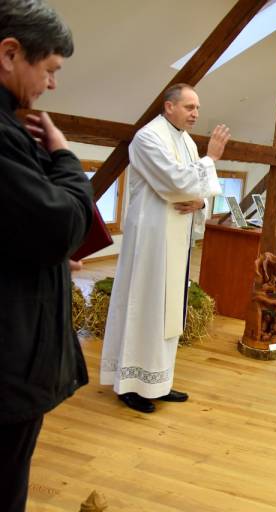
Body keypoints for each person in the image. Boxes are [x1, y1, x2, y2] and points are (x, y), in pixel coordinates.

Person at [0, 2, 93, 510]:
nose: (52, 85)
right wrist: (65, 156)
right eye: (50, 70)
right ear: (10, 53)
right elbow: (61, 224)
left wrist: (52, 257)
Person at [100, 83, 230, 413]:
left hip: (175, 238)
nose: (195, 114)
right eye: (189, 107)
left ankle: (158, 381)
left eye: (197, 108)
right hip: (151, 238)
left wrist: (201, 202)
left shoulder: (186, 141)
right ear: (169, 106)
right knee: (144, 305)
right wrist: (211, 159)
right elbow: (176, 182)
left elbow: (195, 191)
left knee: (168, 311)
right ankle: (130, 385)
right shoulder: (148, 137)